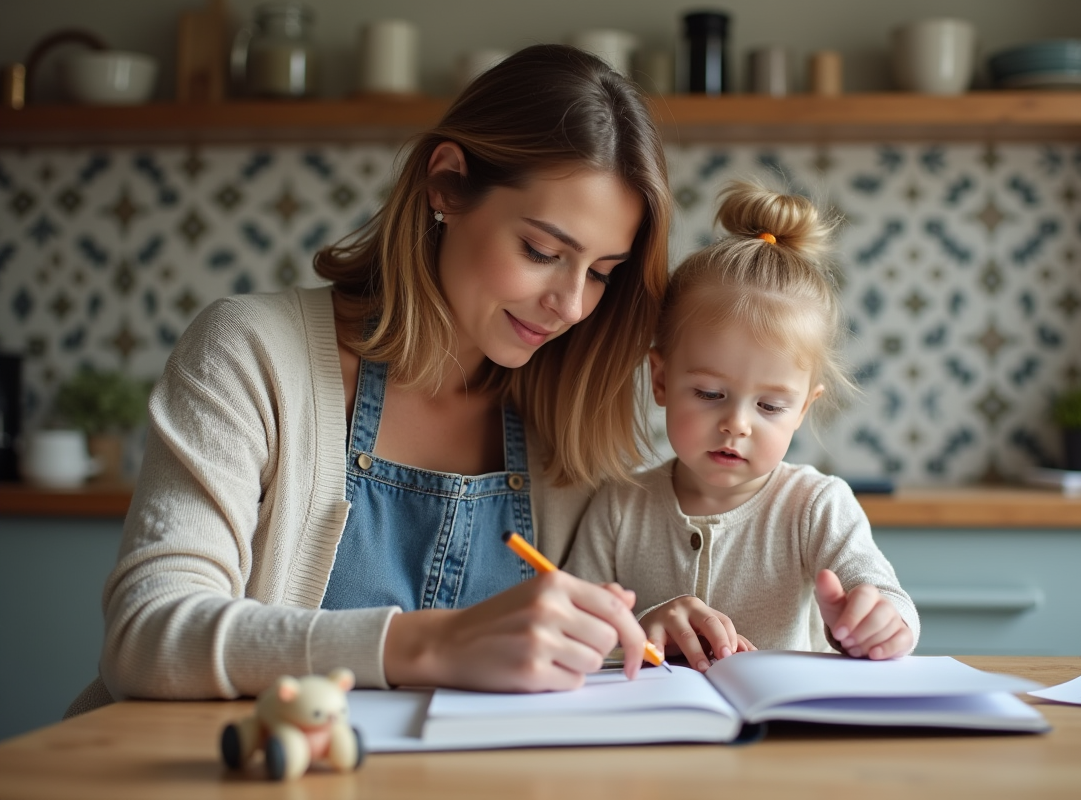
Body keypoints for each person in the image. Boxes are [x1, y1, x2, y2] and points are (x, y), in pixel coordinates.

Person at [68, 44, 673, 714]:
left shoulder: (569, 420)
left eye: (601, 272)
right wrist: (430, 644)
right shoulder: (250, 352)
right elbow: (147, 639)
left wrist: (646, 629)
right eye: (541, 251)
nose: (571, 304)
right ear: (445, 184)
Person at [565, 182, 920, 673]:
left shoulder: (815, 505)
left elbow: (887, 599)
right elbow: (569, 631)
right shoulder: (619, 507)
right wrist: (643, 630)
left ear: (803, 410)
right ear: (662, 379)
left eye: (771, 406)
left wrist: (880, 622)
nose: (736, 424)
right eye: (710, 395)